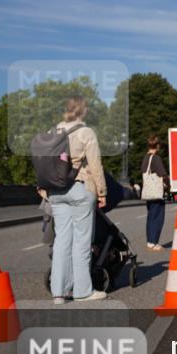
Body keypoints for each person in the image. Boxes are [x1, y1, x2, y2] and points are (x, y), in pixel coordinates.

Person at [48, 95, 108, 303]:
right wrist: (102, 192)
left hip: (55, 192)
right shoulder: (85, 132)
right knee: (81, 242)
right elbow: (95, 164)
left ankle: (59, 292)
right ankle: (83, 291)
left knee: (61, 241)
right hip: (79, 187)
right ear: (83, 111)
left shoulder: (53, 131)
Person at [141, 135, 170, 251]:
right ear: (157, 146)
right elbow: (162, 174)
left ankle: (150, 240)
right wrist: (169, 185)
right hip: (156, 193)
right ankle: (154, 241)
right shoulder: (156, 158)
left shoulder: (145, 158)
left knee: (150, 216)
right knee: (158, 217)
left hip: (149, 192)